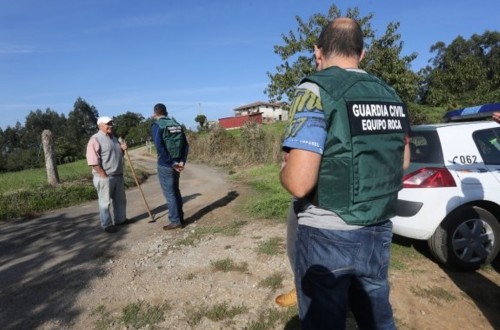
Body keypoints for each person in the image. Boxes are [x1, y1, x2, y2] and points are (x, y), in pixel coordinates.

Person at [280, 17, 411, 329]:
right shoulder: (390, 94)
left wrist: (283, 168)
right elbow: (403, 161)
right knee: (376, 318)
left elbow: (299, 183)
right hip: (378, 229)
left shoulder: (315, 89)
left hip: (327, 232)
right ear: (361, 53)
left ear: (318, 51)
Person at [86, 116, 131, 233]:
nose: (110, 125)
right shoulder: (95, 139)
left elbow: (119, 155)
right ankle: (107, 224)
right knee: (105, 203)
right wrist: (103, 175)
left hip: (118, 175)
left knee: (120, 200)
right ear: (100, 125)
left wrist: (122, 149)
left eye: (111, 123)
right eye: (107, 124)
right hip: (105, 176)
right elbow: (92, 161)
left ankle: (121, 219)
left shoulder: (115, 139)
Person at [151, 103, 189, 230]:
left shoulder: (157, 125)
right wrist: (182, 161)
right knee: (176, 191)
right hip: (178, 163)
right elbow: (185, 145)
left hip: (166, 165)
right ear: (166, 112)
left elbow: (159, 147)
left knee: (170, 193)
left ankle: (175, 220)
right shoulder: (176, 124)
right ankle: (180, 218)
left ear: (155, 113)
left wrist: (171, 163)